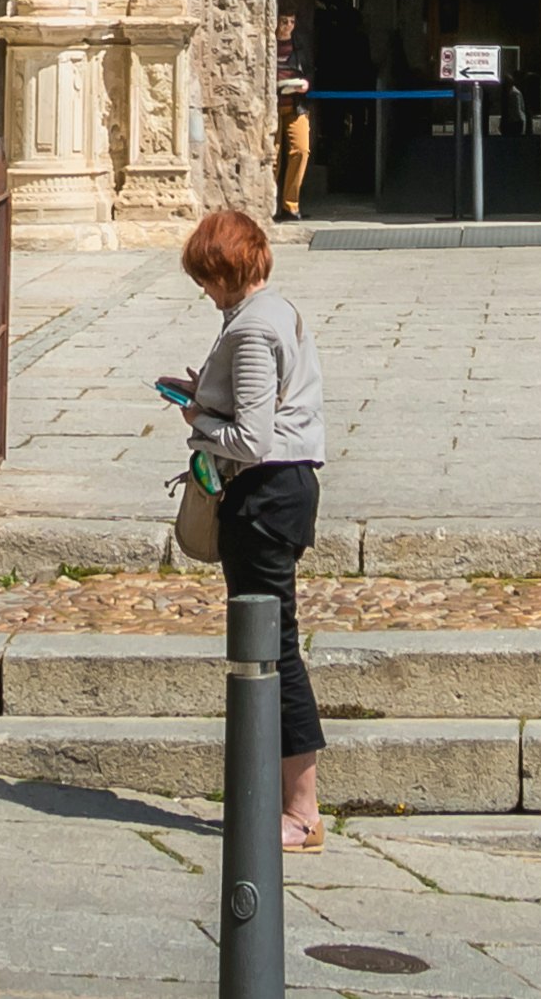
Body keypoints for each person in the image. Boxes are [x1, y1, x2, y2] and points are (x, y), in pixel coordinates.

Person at [170, 208, 329, 848]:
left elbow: (252, 439)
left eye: (205, 279)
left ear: (226, 271)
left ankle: (301, 809)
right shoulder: (274, 311)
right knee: (270, 644)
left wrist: (197, 422)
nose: (202, 292)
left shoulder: (251, 331)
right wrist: (205, 394)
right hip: (282, 491)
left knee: (272, 648)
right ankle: (282, 798)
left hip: (265, 497)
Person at [276, 11, 316, 219]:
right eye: (284, 21)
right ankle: (270, 205)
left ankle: (290, 205)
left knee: (301, 150)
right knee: (273, 157)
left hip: (296, 104)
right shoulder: (268, 44)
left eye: (292, 21)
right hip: (273, 105)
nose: (288, 26)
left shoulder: (300, 46)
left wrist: (305, 83)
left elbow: (310, 70)